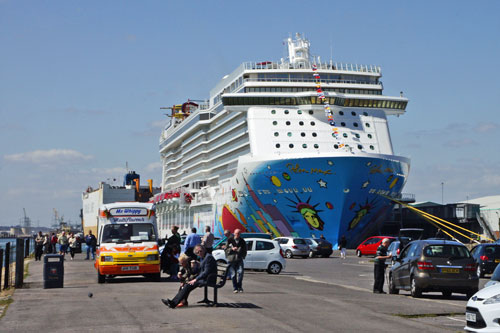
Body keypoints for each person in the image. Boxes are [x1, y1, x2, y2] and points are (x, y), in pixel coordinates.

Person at [162, 244, 217, 309]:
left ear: (204, 250)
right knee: (187, 284)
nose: (199, 253)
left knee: (188, 285)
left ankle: (174, 303)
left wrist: (195, 279)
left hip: (209, 279)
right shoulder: (204, 257)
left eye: (200, 251)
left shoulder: (208, 257)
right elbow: (199, 271)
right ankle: (177, 302)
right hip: (204, 278)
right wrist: (192, 278)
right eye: (197, 252)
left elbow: (206, 272)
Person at [226, 228, 247, 293]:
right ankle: (235, 288)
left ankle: (239, 286)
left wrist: (242, 256)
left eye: (238, 233)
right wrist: (232, 249)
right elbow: (226, 249)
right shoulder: (230, 240)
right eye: (236, 233)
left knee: (241, 272)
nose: (237, 234)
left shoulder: (242, 241)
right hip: (231, 259)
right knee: (233, 274)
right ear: (234, 233)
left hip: (239, 259)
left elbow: (245, 250)